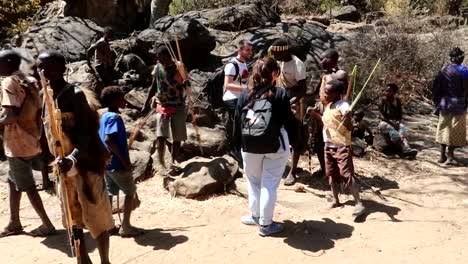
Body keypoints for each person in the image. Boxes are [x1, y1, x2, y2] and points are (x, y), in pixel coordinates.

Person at [37, 50, 113, 264]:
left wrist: (73, 158)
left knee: (96, 215)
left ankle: (105, 260)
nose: (42, 72)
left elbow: (87, 134)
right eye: (39, 68)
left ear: (62, 69)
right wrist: (47, 164)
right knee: (73, 219)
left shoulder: (75, 95)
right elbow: (46, 134)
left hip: (85, 165)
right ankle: (82, 259)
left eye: (47, 67)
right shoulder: (44, 96)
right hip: (62, 169)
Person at [234, 57, 296, 236]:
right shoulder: (281, 94)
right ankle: (266, 225)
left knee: (253, 182)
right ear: (275, 74)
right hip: (276, 145)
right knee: (269, 184)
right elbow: (288, 121)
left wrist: (238, 146)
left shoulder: (245, 94)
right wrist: (295, 142)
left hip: (249, 145)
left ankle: (255, 216)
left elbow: (237, 121)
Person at [0, 50, 56, 238]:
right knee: (13, 180)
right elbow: (38, 111)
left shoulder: (9, 82)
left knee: (28, 186)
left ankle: (47, 224)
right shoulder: (30, 80)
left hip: (17, 143)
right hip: (33, 138)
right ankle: (14, 222)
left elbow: (10, 115)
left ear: (8, 62)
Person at [99, 86, 143, 237]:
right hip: (117, 164)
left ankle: (108, 225)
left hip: (107, 164)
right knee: (130, 192)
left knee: (111, 193)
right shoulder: (114, 118)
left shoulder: (104, 116)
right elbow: (109, 140)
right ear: (113, 101)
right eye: (121, 98)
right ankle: (126, 226)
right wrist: (125, 161)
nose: (124, 101)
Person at [321, 80, 365, 217]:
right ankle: (336, 200)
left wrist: (347, 118)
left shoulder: (343, 105)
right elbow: (326, 124)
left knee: (347, 174)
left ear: (337, 94)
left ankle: (358, 203)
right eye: (325, 92)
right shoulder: (328, 106)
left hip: (341, 146)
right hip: (328, 145)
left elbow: (349, 126)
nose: (325, 94)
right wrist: (314, 114)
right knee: (331, 174)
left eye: (328, 92)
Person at [142, 46, 190, 170]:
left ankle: (174, 160)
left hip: (178, 105)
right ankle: (161, 162)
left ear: (169, 56)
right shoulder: (157, 67)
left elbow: (187, 84)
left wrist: (186, 84)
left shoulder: (179, 67)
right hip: (162, 105)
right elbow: (153, 85)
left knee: (177, 136)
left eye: (162, 58)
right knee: (161, 135)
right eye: (158, 58)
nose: (160, 61)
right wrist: (146, 103)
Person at [268, 39, 307, 186]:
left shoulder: (298, 65)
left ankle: (293, 171)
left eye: (276, 54)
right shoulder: (279, 62)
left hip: (293, 102)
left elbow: (302, 89)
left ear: (284, 51)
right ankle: (280, 165)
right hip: (280, 99)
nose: (274, 56)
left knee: (294, 135)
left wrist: (290, 103)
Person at [432, 47, 468, 165]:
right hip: (458, 104)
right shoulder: (464, 70)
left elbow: (436, 86)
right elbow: (466, 88)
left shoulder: (444, 69)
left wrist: (437, 101)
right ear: (460, 58)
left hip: (445, 104)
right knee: (455, 130)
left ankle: (442, 155)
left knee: (444, 128)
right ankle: (450, 156)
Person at [223, 40, 253, 161]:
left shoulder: (244, 64)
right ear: (239, 50)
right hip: (231, 99)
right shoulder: (232, 65)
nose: (250, 53)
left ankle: (240, 148)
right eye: (247, 50)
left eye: (251, 50)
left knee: (243, 124)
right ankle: (234, 150)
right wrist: (246, 89)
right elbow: (227, 85)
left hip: (241, 98)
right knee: (236, 126)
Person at [377, 83, 417, 159]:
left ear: (394, 92)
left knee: (402, 129)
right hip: (385, 122)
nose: (387, 93)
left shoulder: (397, 101)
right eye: (387, 91)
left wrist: (398, 121)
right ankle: (403, 149)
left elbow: (400, 114)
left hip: (395, 121)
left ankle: (407, 148)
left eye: (390, 91)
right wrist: (391, 123)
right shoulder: (383, 100)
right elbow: (380, 115)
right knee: (393, 130)